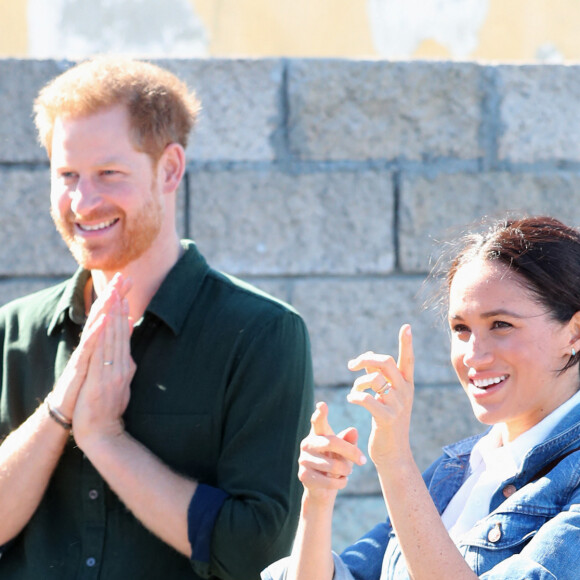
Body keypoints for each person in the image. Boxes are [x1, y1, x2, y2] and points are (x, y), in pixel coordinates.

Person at [0, 56, 314, 580]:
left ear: (169, 169)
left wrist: (106, 441)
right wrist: (59, 412)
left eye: (109, 174)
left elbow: (260, 555)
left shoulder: (262, 335)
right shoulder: (13, 332)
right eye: (67, 175)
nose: (82, 201)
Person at [263, 215, 580, 580]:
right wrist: (317, 500)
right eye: (461, 329)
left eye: (501, 325)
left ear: (573, 333)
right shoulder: (455, 471)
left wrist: (396, 462)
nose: (473, 356)